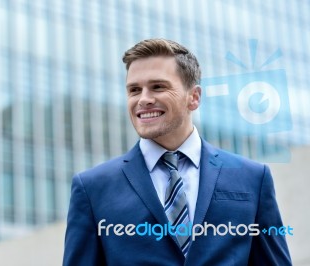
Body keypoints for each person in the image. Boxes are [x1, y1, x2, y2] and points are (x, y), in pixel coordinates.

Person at [63, 38, 292, 265]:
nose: (143, 99)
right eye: (134, 90)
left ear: (194, 97)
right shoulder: (92, 188)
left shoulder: (252, 178)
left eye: (158, 87)